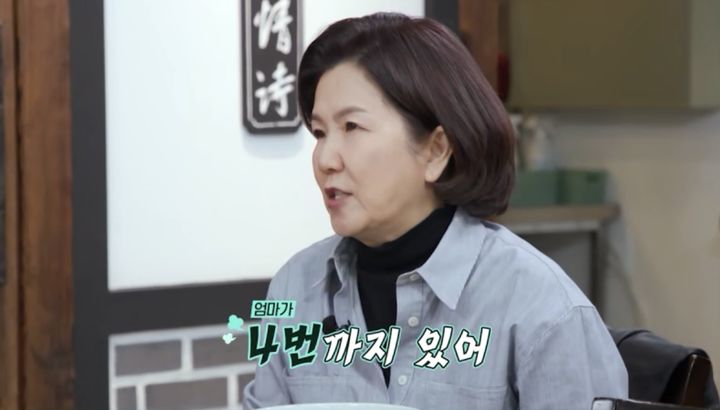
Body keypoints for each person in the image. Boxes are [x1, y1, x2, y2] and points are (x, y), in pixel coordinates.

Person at [243, 12, 628, 410]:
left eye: (352, 127)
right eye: (320, 133)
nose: (325, 159)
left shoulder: (541, 307)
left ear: (436, 150)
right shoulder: (294, 288)